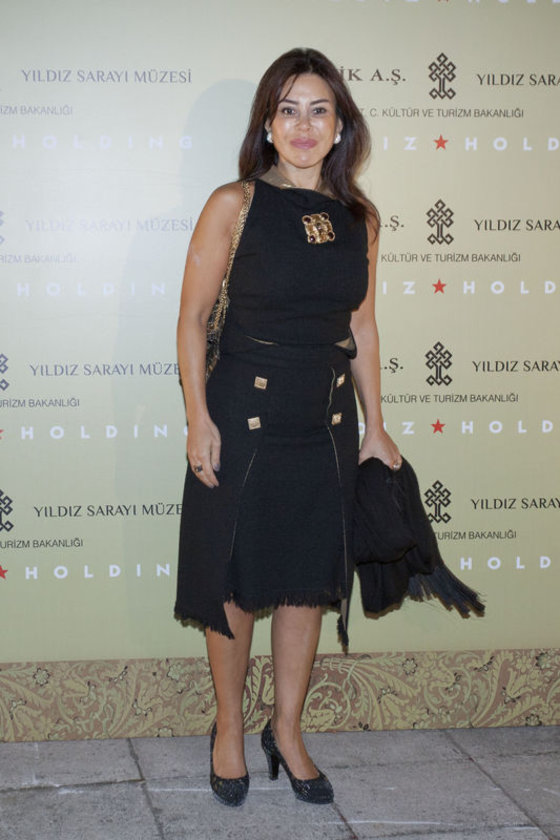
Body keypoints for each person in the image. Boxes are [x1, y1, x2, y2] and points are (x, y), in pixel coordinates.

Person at [174, 47, 401, 807]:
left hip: (325, 420)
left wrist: (376, 426)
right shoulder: (233, 204)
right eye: (288, 110)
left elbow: (361, 326)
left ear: (340, 126)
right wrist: (197, 417)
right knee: (234, 582)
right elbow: (192, 318)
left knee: (307, 583)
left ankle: (289, 730)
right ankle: (230, 729)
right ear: (267, 125)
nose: (304, 126)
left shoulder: (360, 219)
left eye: (319, 111)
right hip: (241, 417)